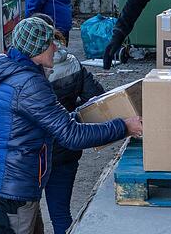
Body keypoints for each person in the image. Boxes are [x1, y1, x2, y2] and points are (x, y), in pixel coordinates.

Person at [0, 16, 142, 234]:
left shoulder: (16, 75)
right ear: (36, 49)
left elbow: (54, 122)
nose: (56, 47)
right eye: (51, 42)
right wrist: (123, 126)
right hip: (15, 190)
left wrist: (79, 115)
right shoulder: (28, 84)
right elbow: (71, 136)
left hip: (14, 186)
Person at [30, 13, 106, 234]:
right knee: (61, 214)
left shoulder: (24, 71)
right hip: (65, 150)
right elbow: (97, 99)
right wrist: (72, 113)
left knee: (26, 214)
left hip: (33, 153)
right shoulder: (73, 64)